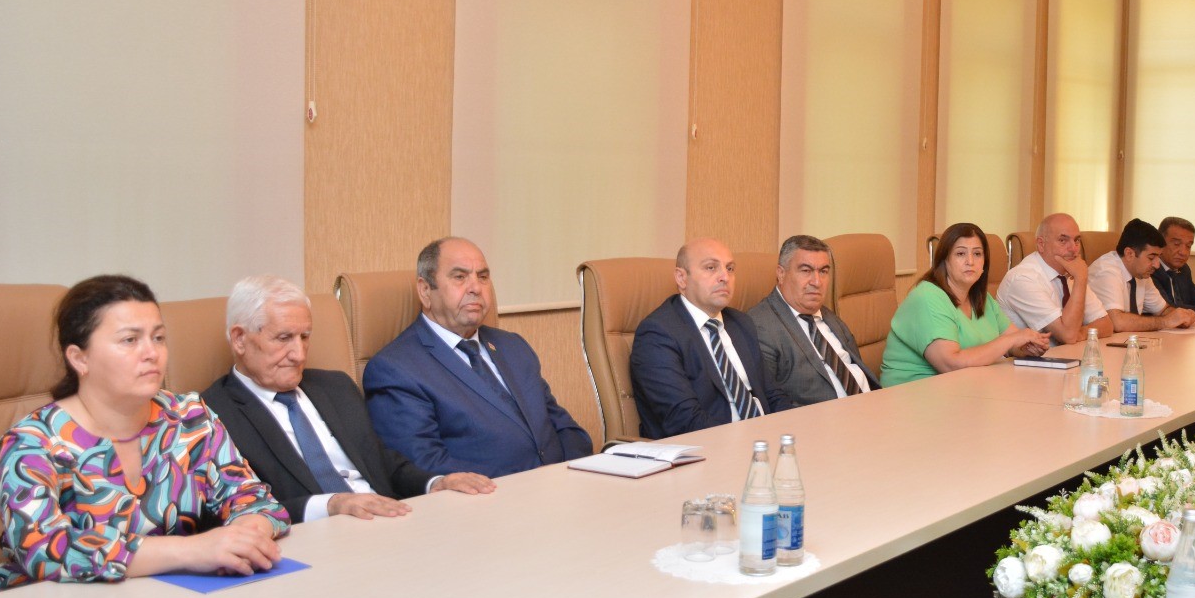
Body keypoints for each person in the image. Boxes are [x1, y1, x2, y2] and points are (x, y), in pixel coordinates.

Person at [0, 275, 288, 592]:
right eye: (130, 340)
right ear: (79, 358)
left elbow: (257, 501)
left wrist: (243, 539)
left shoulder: (191, 417)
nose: (151, 353)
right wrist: (193, 551)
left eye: (158, 338)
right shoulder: (32, 442)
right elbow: (43, 548)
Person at [202, 276, 494, 524]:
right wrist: (332, 505)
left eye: (304, 337)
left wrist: (436, 482)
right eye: (283, 338)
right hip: (308, 541)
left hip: (390, 522)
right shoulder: (211, 415)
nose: (299, 354)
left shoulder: (335, 387)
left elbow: (385, 465)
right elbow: (232, 510)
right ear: (239, 339)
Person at [364, 238, 592, 479]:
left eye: (483, 277)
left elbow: (563, 427)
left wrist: (574, 472)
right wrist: (529, 483)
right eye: (459, 277)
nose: (476, 288)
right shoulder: (396, 369)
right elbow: (425, 463)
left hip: (564, 486)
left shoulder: (513, 346)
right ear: (425, 290)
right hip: (491, 496)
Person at [630, 237, 790, 437]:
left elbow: (773, 395)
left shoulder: (741, 322)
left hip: (765, 440)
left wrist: (792, 432)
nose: (725, 277)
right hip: (708, 446)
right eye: (711, 268)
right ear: (681, 278)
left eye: (730, 268)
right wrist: (748, 440)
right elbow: (685, 420)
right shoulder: (657, 334)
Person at [881, 222, 1050, 387]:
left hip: (965, 387)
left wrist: (1029, 347)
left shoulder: (982, 299)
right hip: (913, 392)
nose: (970, 261)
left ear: (984, 262)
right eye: (960, 254)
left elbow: (1015, 345)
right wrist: (1012, 340)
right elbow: (950, 364)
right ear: (944, 260)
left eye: (977, 254)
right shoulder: (927, 296)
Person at [748, 235, 878, 407]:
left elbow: (856, 367)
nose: (817, 282)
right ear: (781, 273)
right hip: (824, 419)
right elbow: (771, 402)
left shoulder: (828, 316)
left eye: (823, 271)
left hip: (872, 405)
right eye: (806, 271)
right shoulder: (760, 326)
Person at [996, 213, 1114, 343]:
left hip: (1065, 354)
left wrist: (1080, 334)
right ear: (1041, 244)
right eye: (1063, 240)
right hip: (1030, 356)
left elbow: (1106, 324)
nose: (1073, 249)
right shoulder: (1023, 278)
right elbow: (1068, 335)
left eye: (1076, 240)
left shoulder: (1070, 271)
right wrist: (1081, 279)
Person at [1088, 218, 1195, 332]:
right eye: (1151, 258)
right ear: (1129, 254)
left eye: (1158, 257)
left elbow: (1162, 310)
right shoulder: (1106, 271)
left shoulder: (1141, 273)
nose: (1157, 265)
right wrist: (1165, 321)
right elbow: (1117, 323)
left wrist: (1183, 317)